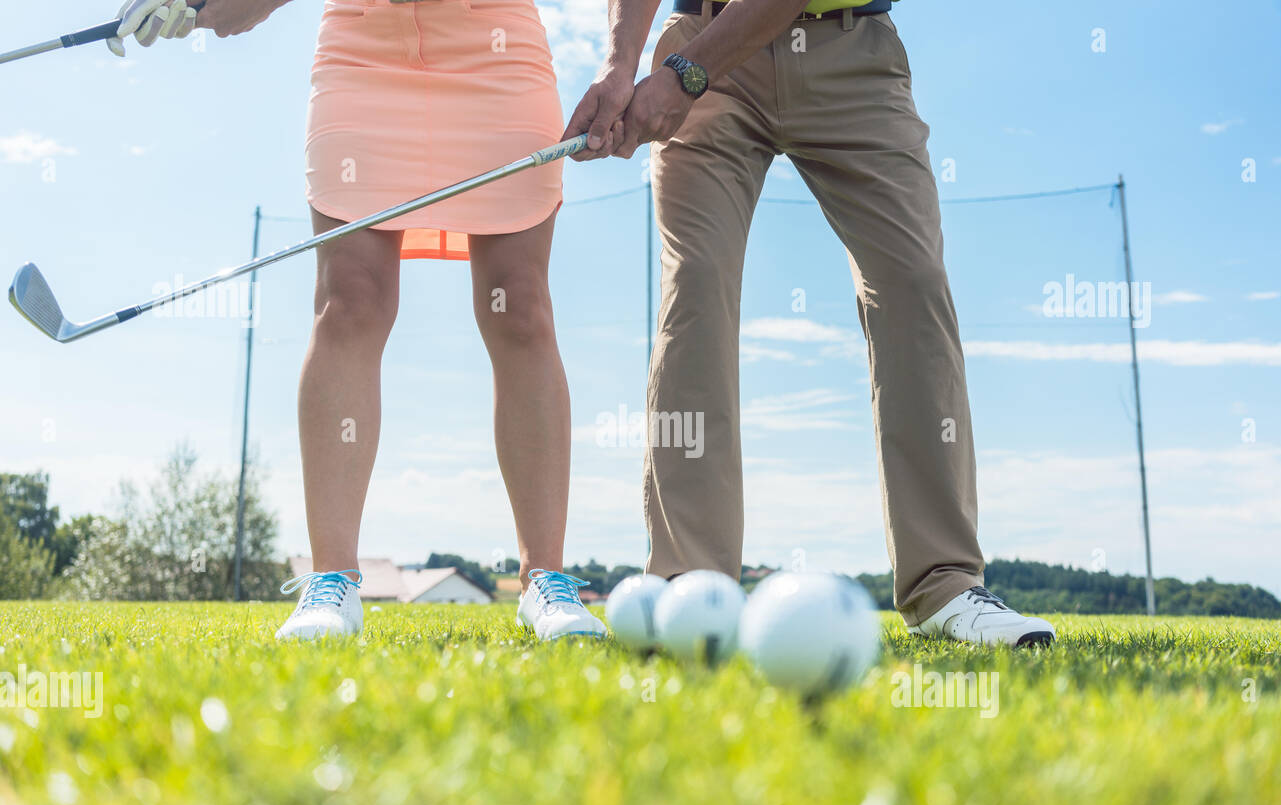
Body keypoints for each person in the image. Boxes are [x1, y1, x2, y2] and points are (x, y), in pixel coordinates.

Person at [565, 0, 1056, 646]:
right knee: (697, 285)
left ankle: (946, 586)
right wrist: (621, 64)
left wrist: (685, 75)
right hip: (703, 40)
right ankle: (693, 586)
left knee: (912, 284)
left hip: (849, 56)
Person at [111, 0, 605, 641]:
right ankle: (332, 583)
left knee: (520, 307)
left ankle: (544, 580)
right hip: (363, 48)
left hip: (498, 48)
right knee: (349, 299)